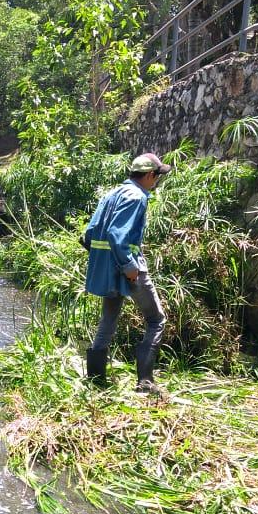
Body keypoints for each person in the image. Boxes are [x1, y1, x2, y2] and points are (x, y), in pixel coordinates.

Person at [81, 153, 171, 394]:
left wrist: (106, 262)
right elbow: (117, 236)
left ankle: (96, 382)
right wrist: (130, 268)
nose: (156, 182)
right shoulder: (137, 196)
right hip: (128, 269)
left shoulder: (111, 194)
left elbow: (88, 235)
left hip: (108, 269)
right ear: (150, 175)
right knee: (156, 320)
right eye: (157, 177)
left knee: (108, 321)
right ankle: (145, 383)